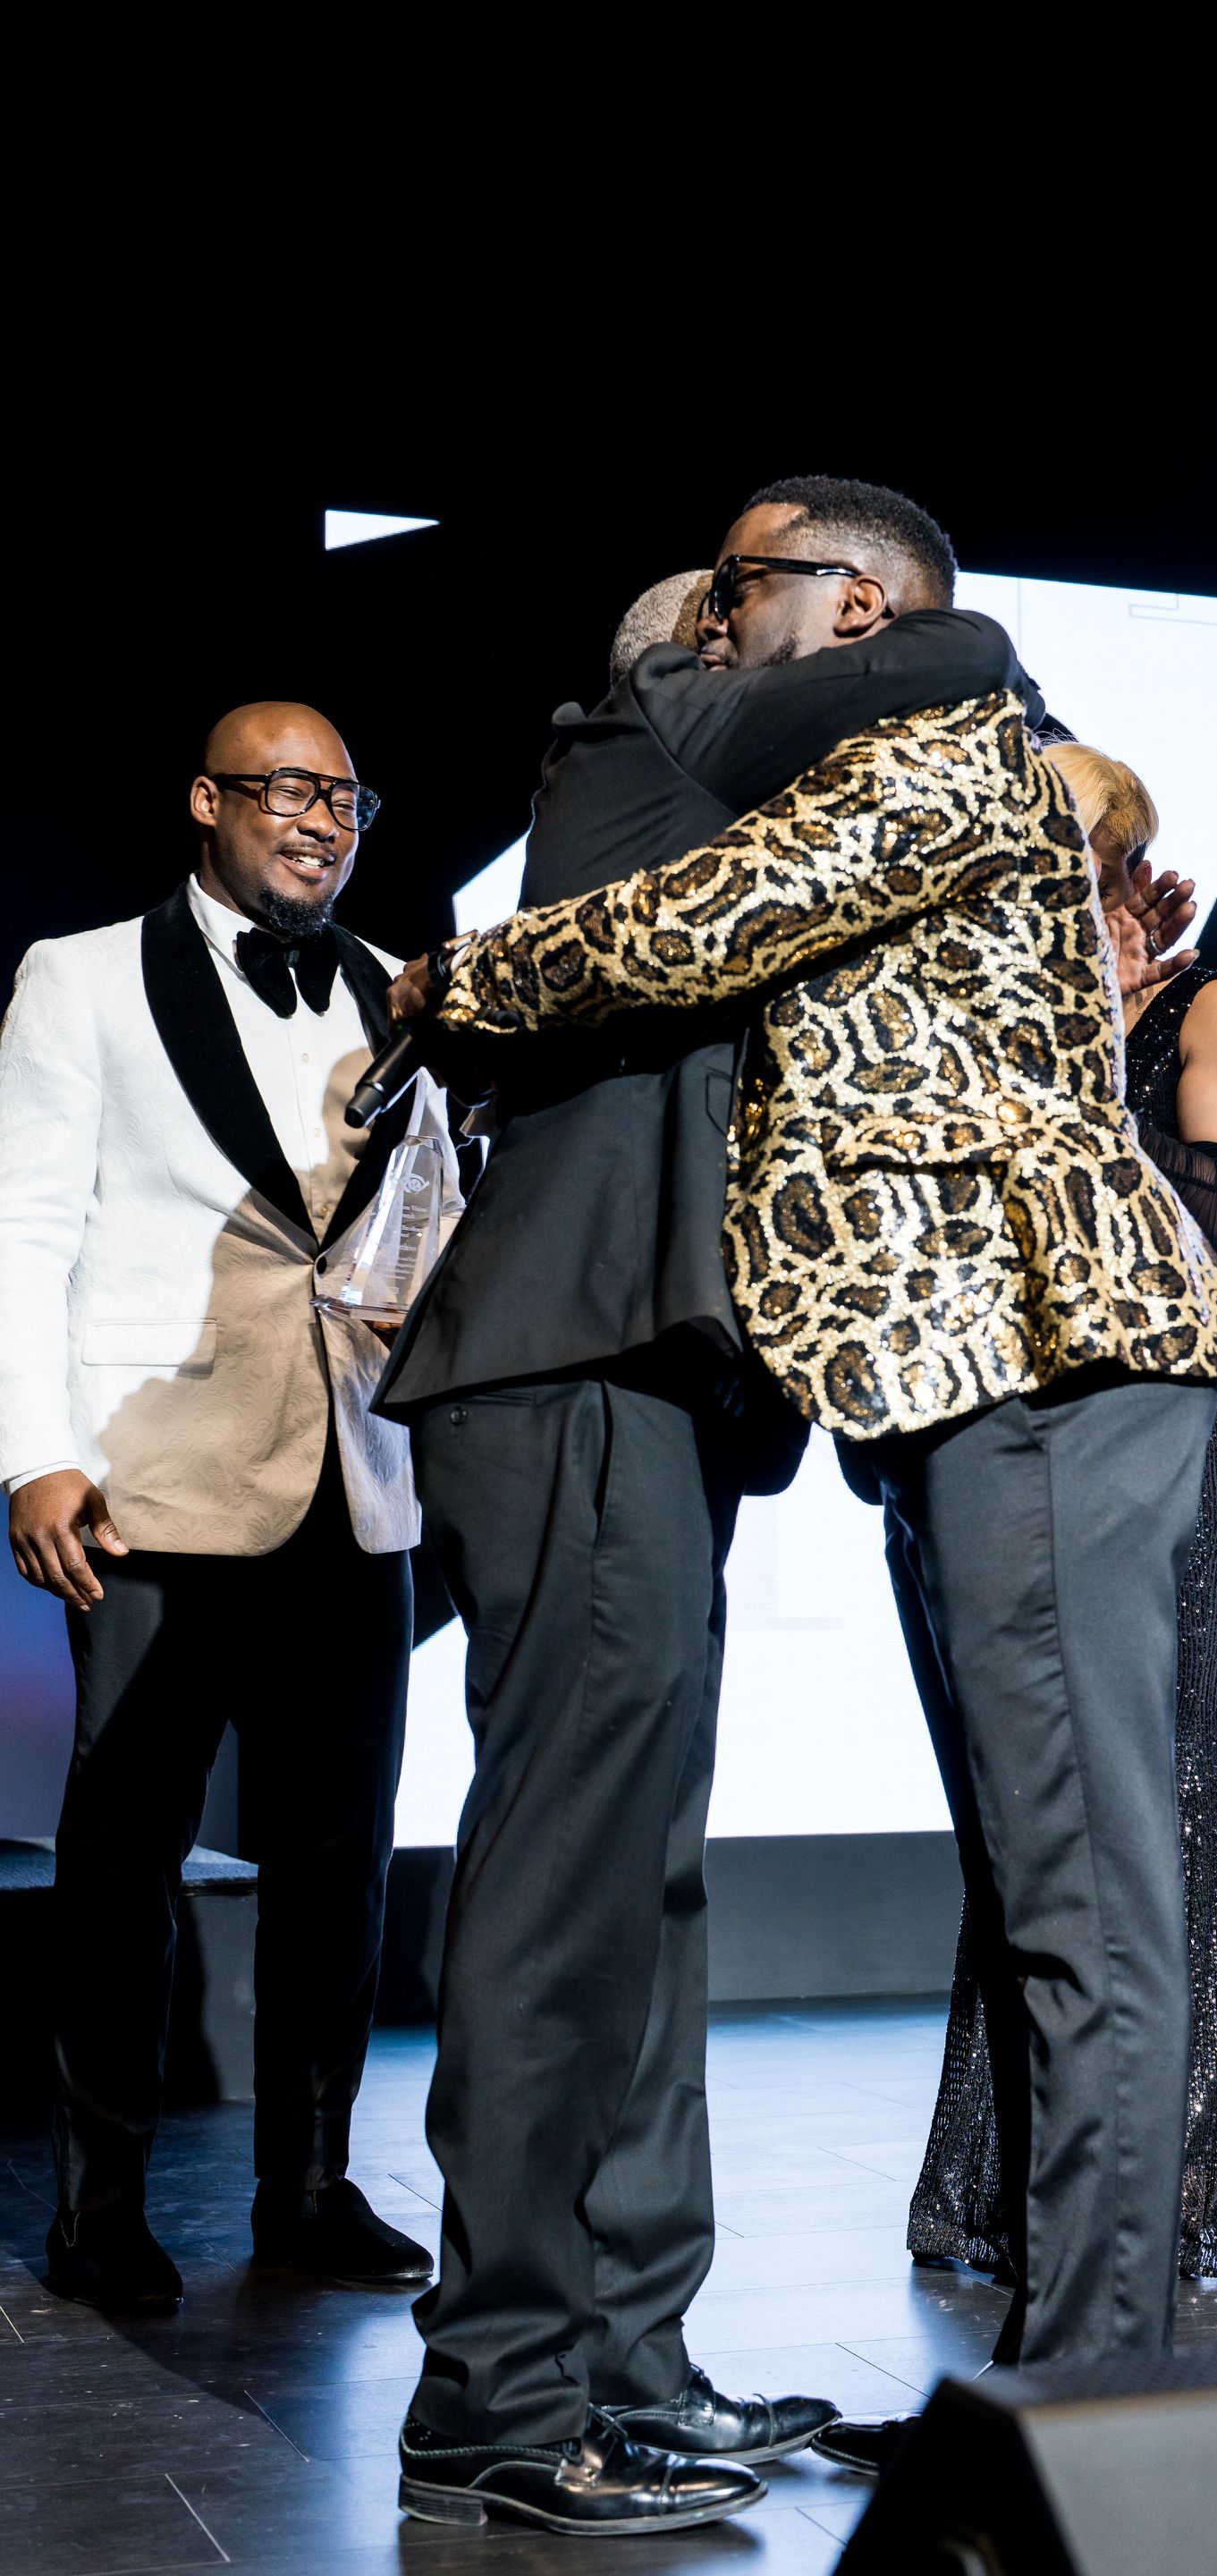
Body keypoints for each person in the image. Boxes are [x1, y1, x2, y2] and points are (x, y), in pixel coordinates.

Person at [394, 483, 1217, 2517]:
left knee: (1077, 1899)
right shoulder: (722, 734)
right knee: (960, 1891)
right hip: (802, 1370)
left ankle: (1076, 2416)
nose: (724, 629)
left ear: (854, 606)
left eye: (749, 590)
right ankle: (562, 2389)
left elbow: (709, 923)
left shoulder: (947, 734)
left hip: (1019, 1363)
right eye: (701, 604)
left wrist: (452, 982)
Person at [0, 702, 461, 2310]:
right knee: (123, 1857)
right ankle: (99, 2203)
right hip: (155, 1474)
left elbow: (421, 1216)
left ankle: (312, 2186)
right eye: (285, 789)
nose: (321, 819)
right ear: (207, 802)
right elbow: (25, 1225)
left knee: (343, 1857)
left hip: (356, 1469)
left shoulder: (392, 982)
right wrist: (32, 1453)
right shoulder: (83, 974)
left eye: (345, 795)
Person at [906, 745, 1217, 2325]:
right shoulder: (981, 1021)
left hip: (1176, 1444)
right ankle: (1027, 2196)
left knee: (1175, 1802)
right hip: (990, 1441)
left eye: (1053, 835)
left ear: (1118, 853)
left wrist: (1089, 1037)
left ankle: (1184, 2179)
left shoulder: (1203, 1009)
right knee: (1030, 1832)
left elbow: (1197, 1231)